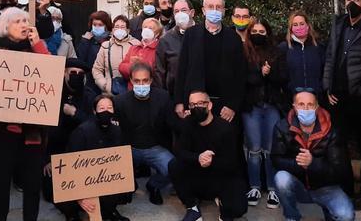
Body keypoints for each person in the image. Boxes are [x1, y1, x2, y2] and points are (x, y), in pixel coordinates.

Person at [0, 7, 50, 221]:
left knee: (33, 184)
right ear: (5, 27)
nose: (24, 24)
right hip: (3, 131)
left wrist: (37, 45)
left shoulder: (36, 50)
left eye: (26, 20)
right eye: (18, 21)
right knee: (0, 184)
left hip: (33, 132)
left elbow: (50, 77)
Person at [323, 0, 361, 205]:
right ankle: (345, 189)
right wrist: (327, 87)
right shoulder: (339, 24)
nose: (352, 3)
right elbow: (330, 56)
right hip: (337, 98)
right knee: (338, 145)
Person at [271, 90, 354, 221]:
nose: (305, 108)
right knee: (281, 178)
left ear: (317, 107)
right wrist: (299, 164)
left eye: (310, 104)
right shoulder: (282, 126)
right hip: (299, 184)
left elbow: (340, 170)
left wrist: (313, 163)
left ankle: (328, 211)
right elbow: (276, 159)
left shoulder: (332, 130)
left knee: (346, 215)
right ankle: (292, 217)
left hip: (326, 187)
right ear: (294, 106)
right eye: (301, 104)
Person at [169, 90, 248, 221]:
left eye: (200, 103)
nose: (196, 107)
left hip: (221, 176)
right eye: (192, 105)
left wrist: (211, 161)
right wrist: (198, 157)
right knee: (174, 165)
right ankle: (192, 208)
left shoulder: (225, 128)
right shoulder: (188, 124)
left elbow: (232, 162)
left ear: (209, 105)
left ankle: (223, 205)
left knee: (239, 209)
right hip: (197, 174)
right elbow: (179, 150)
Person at [54, 94, 130, 221]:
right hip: (78, 178)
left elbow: (120, 162)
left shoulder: (117, 131)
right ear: (94, 111)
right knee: (63, 195)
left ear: (114, 111)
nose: (106, 111)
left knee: (126, 186)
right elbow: (69, 167)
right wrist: (80, 198)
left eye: (109, 108)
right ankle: (72, 214)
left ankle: (109, 210)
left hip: (103, 177)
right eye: (101, 108)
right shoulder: (82, 131)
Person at [175, 0, 246, 122]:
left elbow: (240, 75)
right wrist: (179, 101)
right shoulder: (191, 35)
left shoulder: (233, 38)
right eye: (210, 6)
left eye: (218, 7)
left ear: (224, 11)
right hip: (196, 103)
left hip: (224, 106)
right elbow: (182, 69)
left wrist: (232, 105)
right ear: (203, 10)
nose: (215, 10)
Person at [114, 62, 176, 206]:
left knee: (174, 168)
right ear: (130, 80)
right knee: (115, 170)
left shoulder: (163, 97)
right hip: (130, 148)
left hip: (155, 148)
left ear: (151, 80)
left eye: (145, 80)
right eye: (137, 81)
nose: (141, 84)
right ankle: (129, 186)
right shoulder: (120, 101)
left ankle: (154, 185)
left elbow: (172, 123)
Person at [242, 18, 289, 209]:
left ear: (268, 34)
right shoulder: (243, 52)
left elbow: (284, 78)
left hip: (271, 106)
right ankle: (254, 186)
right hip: (251, 106)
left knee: (270, 149)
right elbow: (242, 78)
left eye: (262, 32)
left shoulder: (277, 52)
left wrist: (270, 74)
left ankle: (272, 188)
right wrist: (259, 74)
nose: (258, 35)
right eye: (255, 31)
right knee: (254, 149)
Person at [44, 59, 98, 212]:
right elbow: (43, 129)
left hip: (80, 154)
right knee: (50, 193)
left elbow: (94, 126)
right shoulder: (52, 92)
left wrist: (75, 113)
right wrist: (48, 159)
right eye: (73, 72)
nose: (77, 76)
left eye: (81, 74)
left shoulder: (89, 96)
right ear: (64, 73)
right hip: (55, 154)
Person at [281, 11, 326, 95]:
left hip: (316, 98)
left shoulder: (319, 47)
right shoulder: (284, 48)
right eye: (295, 25)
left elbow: (325, 71)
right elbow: (281, 74)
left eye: (302, 24)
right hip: (292, 99)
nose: (299, 27)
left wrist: (321, 88)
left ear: (307, 25)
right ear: (291, 28)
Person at [156, 0, 194, 95]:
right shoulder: (165, 40)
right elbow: (160, 73)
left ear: (192, 13)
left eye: (184, 10)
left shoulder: (203, 35)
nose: (180, 14)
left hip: (201, 98)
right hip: (175, 97)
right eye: (176, 11)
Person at [93, 15, 139, 95]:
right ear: (113, 30)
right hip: (110, 92)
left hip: (131, 91)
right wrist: (104, 84)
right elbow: (97, 69)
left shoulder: (136, 44)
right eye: (117, 27)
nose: (119, 29)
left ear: (128, 30)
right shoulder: (105, 46)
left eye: (122, 27)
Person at [118, 17, 163, 89]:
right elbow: (121, 67)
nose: (147, 30)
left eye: (151, 28)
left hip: (152, 90)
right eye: (145, 27)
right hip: (132, 90)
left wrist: (141, 65)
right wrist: (132, 66)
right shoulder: (134, 48)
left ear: (157, 33)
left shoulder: (160, 49)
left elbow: (160, 72)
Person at [76, 10, 113, 91]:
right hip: (90, 83)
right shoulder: (87, 40)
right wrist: (85, 41)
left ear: (106, 26)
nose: (97, 27)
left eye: (100, 25)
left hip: (109, 83)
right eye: (94, 25)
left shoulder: (112, 41)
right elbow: (80, 60)